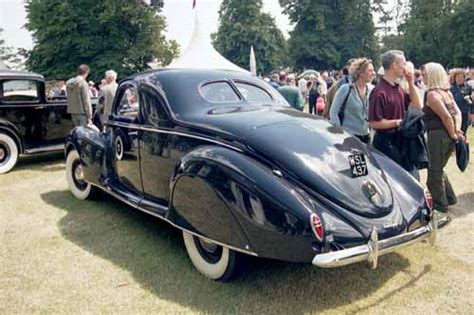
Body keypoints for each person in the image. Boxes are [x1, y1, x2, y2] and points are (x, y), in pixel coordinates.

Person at [368, 50, 422, 172]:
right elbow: (374, 123)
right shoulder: (379, 92)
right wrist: (398, 122)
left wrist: (410, 82)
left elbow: (417, 105)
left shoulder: (398, 88)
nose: (405, 67)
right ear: (394, 65)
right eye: (403, 63)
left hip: (400, 141)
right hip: (386, 143)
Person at [422, 63, 463, 213]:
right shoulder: (447, 93)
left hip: (438, 136)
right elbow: (456, 113)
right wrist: (456, 130)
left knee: (434, 170)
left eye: (425, 74)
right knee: (439, 168)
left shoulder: (432, 95)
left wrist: (453, 133)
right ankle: (450, 197)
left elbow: (446, 116)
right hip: (447, 134)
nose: (423, 77)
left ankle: (439, 205)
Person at [330, 58, 375, 144]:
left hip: (366, 136)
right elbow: (333, 112)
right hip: (348, 136)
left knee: (364, 158)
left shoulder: (372, 90)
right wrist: (339, 132)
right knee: (354, 158)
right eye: (370, 71)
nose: (373, 73)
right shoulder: (346, 89)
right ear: (361, 73)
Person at [450, 68, 473, 134]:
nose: (459, 79)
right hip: (455, 113)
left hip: (465, 112)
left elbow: (471, 101)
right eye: (457, 77)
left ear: (464, 78)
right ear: (454, 78)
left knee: (464, 131)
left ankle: (463, 143)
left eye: (461, 77)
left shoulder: (468, 87)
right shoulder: (451, 88)